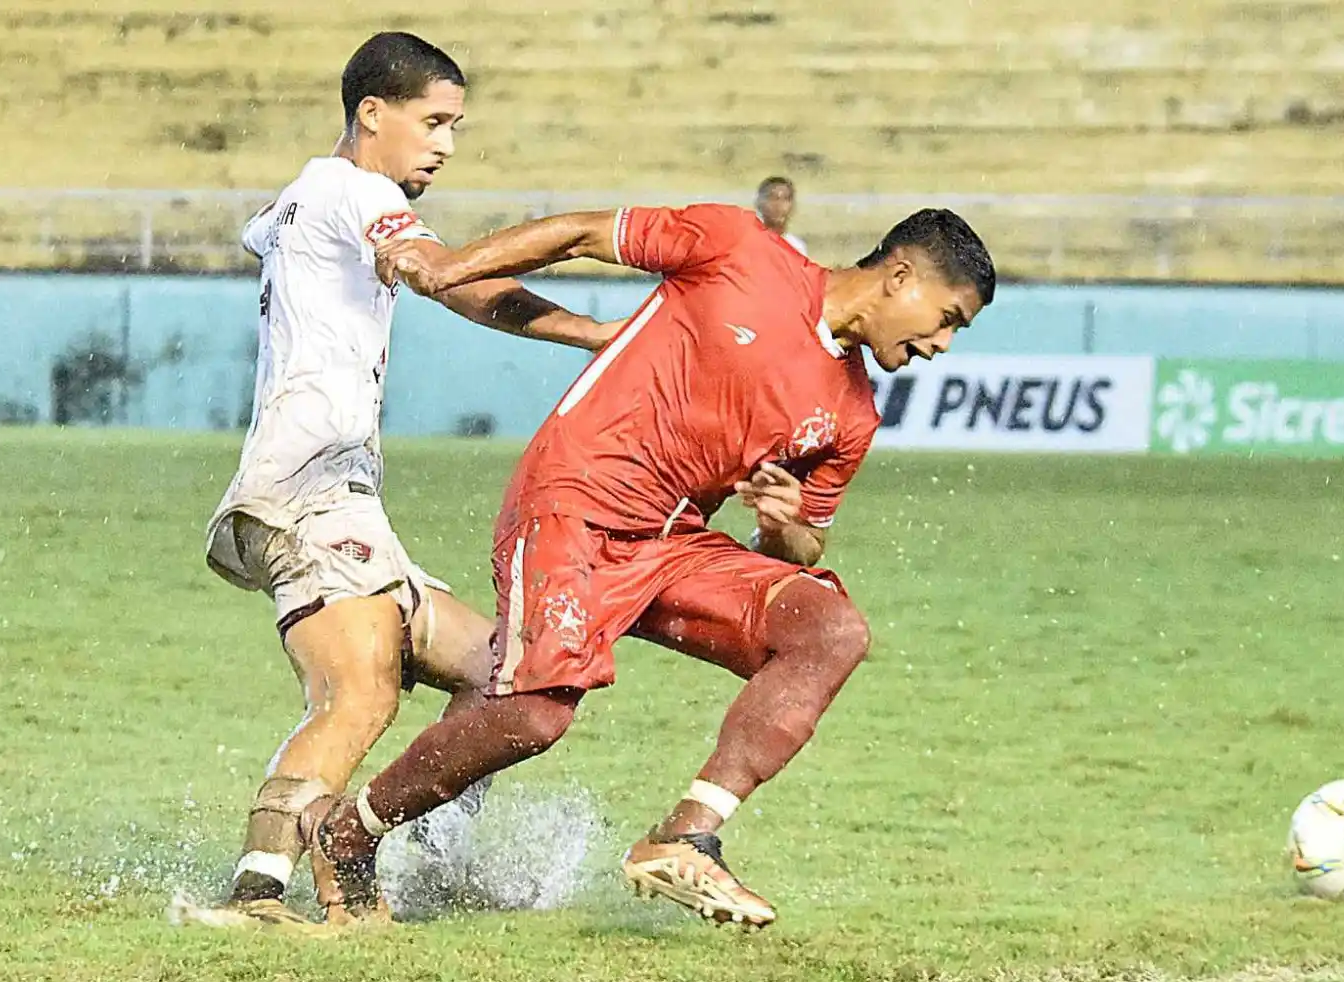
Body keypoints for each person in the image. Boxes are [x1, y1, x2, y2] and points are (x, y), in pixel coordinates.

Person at [303, 201, 996, 929]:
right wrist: (450, 266)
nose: (943, 343)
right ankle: (347, 833)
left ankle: (687, 833)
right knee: (536, 714)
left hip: (671, 543)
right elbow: (582, 235)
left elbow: (804, 547)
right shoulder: (740, 248)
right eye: (948, 317)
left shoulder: (852, 414)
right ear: (902, 276)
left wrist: (783, 522)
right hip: (572, 502)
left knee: (831, 630)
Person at [196, 31, 616, 929]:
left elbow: (453, 286)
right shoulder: (353, 190)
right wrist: (572, 250)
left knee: (505, 675)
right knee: (363, 693)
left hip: (347, 502)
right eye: (433, 122)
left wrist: (600, 338)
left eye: (456, 126)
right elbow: (439, 272)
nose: (446, 144)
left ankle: (426, 851)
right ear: (371, 115)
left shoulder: (318, 198)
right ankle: (256, 890)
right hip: (304, 494)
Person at [755, 176, 808, 255]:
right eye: (774, 198)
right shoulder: (750, 243)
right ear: (760, 204)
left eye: (786, 199)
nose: (779, 205)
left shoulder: (796, 247)